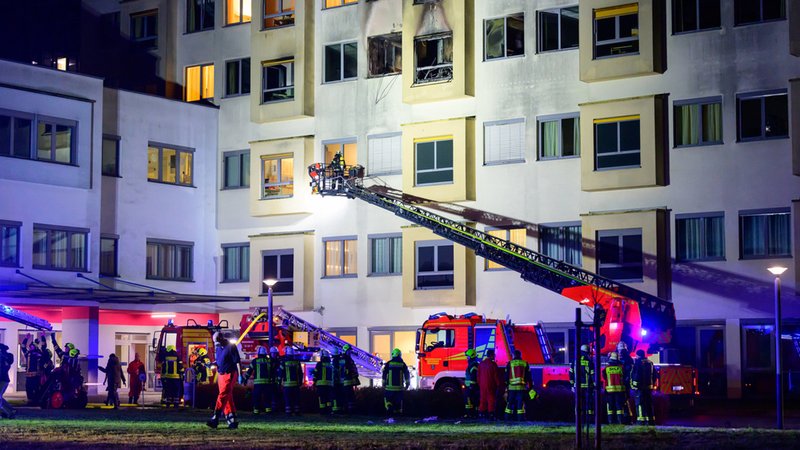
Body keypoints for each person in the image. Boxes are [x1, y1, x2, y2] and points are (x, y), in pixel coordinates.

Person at [207, 332, 242, 429]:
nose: (216, 343)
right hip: (221, 374)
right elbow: (219, 361)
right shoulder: (218, 348)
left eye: (217, 341)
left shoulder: (231, 347)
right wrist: (212, 364)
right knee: (227, 397)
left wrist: (240, 375)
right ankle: (232, 421)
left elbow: (237, 361)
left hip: (229, 373)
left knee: (222, 395)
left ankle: (215, 417)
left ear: (221, 338)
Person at [569, 344, 595, 423]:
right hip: (588, 387)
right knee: (588, 403)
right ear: (587, 352)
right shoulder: (589, 361)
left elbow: (571, 373)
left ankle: (578, 420)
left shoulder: (575, 361)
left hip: (577, 386)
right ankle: (589, 420)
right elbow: (592, 374)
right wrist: (594, 384)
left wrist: (572, 385)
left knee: (578, 403)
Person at [630, 349, 657, 425]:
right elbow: (654, 375)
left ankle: (640, 421)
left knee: (640, 404)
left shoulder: (637, 363)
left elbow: (636, 375)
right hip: (649, 387)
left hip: (640, 387)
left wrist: (635, 385)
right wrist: (652, 384)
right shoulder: (650, 363)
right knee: (649, 403)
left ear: (638, 355)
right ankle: (651, 421)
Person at [382, 348, 410, 416]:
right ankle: (398, 413)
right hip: (399, 388)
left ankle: (389, 408)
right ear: (400, 355)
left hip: (389, 388)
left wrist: (383, 383)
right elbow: (407, 374)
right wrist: (407, 384)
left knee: (388, 400)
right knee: (398, 401)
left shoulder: (388, 363)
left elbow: (384, 373)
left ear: (393, 355)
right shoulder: (402, 364)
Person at [505, 350, 532, 422]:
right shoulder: (525, 363)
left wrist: (506, 386)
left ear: (514, 355)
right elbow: (528, 376)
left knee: (509, 404)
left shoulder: (510, 363)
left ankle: (507, 419)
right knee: (520, 404)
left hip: (511, 387)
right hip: (521, 387)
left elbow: (506, 376)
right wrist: (530, 387)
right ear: (520, 355)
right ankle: (520, 419)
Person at [333, 344, 359, 413]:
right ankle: (350, 411)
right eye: (349, 351)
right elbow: (353, 370)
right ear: (346, 351)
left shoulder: (340, 359)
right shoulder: (348, 359)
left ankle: (345, 410)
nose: (350, 352)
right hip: (347, 382)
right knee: (350, 397)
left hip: (341, 382)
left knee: (344, 397)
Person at [244, 346, 271, 414]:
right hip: (267, 383)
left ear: (258, 353)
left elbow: (249, 371)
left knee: (257, 397)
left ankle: (256, 410)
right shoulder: (269, 361)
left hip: (258, 383)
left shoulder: (255, 361)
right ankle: (268, 410)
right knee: (267, 397)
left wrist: (245, 379)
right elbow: (273, 371)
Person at [602, 351, 626, 424]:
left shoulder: (606, 368)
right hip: (620, 391)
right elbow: (625, 377)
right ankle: (620, 421)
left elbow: (604, 378)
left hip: (609, 391)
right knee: (619, 406)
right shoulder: (621, 368)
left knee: (610, 406)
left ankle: (610, 421)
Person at [477, 349, 501, 421]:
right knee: (491, 399)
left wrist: (480, 384)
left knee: (483, 399)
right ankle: (491, 415)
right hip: (491, 385)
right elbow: (496, 376)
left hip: (482, 385)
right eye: (494, 355)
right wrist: (498, 384)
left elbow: (478, 375)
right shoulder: (493, 364)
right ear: (491, 355)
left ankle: (481, 414)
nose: (494, 356)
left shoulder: (481, 364)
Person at [280, 347, 303, 416]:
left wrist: (279, 383)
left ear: (287, 354)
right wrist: (300, 382)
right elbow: (300, 373)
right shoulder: (297, 362)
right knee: (296, 400)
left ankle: (288, 412)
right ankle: (297, 412)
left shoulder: (284, 362)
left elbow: (280, 373)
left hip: (287, 386)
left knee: (288, 400)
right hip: (296, 385)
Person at [20, 334, 43, 404]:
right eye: (30, 346)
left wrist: (41, 339)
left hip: (36, 376)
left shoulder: (39, 354)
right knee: (28, 389)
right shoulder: (28, 354)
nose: (31, 347)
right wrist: (26, 338)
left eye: (32, 346)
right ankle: (30, 401)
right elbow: (23, 347)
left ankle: (36, 401)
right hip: (29, 376)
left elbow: (43, 349)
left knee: (36, 389)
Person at [617, 341, 634, 423]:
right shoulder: (626, 358)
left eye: (621, 351)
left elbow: (628, 371)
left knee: (625, 400)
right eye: (619, 351)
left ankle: (627, 417)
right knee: (623, 400)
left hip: (624, 383)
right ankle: (625, 417)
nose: (619, 352)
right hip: (621, 383)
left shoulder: (627, 359)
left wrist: (626, 379)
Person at [313, 350, 334, 414]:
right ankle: (329, 410)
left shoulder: (319, 364)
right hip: (329, 385)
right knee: (328, 398)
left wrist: (314, 381)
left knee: (322, 398)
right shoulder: (330, 365)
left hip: (321, 384)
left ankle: (322, 411)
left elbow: (316, 373)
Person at [0, 343, 16, 419]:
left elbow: (8, 364)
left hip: (3, 379)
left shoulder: (7, 357)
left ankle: (8, 412)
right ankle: (10, 410)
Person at [463, 348, 480, 418]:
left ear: (471, 357)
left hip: (471, 386)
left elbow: (473, 377)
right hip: (471, 386)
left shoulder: (473, 365)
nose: (467, 358)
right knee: (473, 400)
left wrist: (471, 386)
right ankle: (472, 414)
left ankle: (470, 414)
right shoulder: (473, 364)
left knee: (469, 400)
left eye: (468, 357)